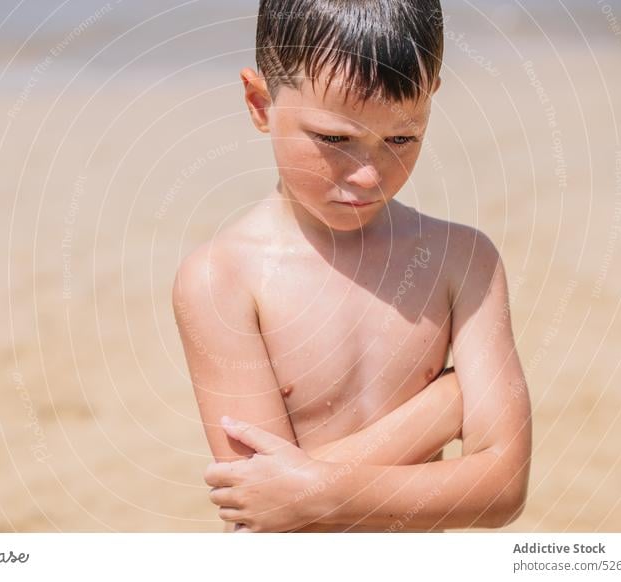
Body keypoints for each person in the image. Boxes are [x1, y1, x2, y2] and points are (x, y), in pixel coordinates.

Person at [172, 0, 531, 532]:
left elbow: (503, 490)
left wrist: (311, 490)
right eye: (334, 139)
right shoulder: (222, 280)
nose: (367, 176)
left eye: (402, 139)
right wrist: (442, 406)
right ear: (259, 103)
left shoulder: (462, 260)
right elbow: (266, 518)